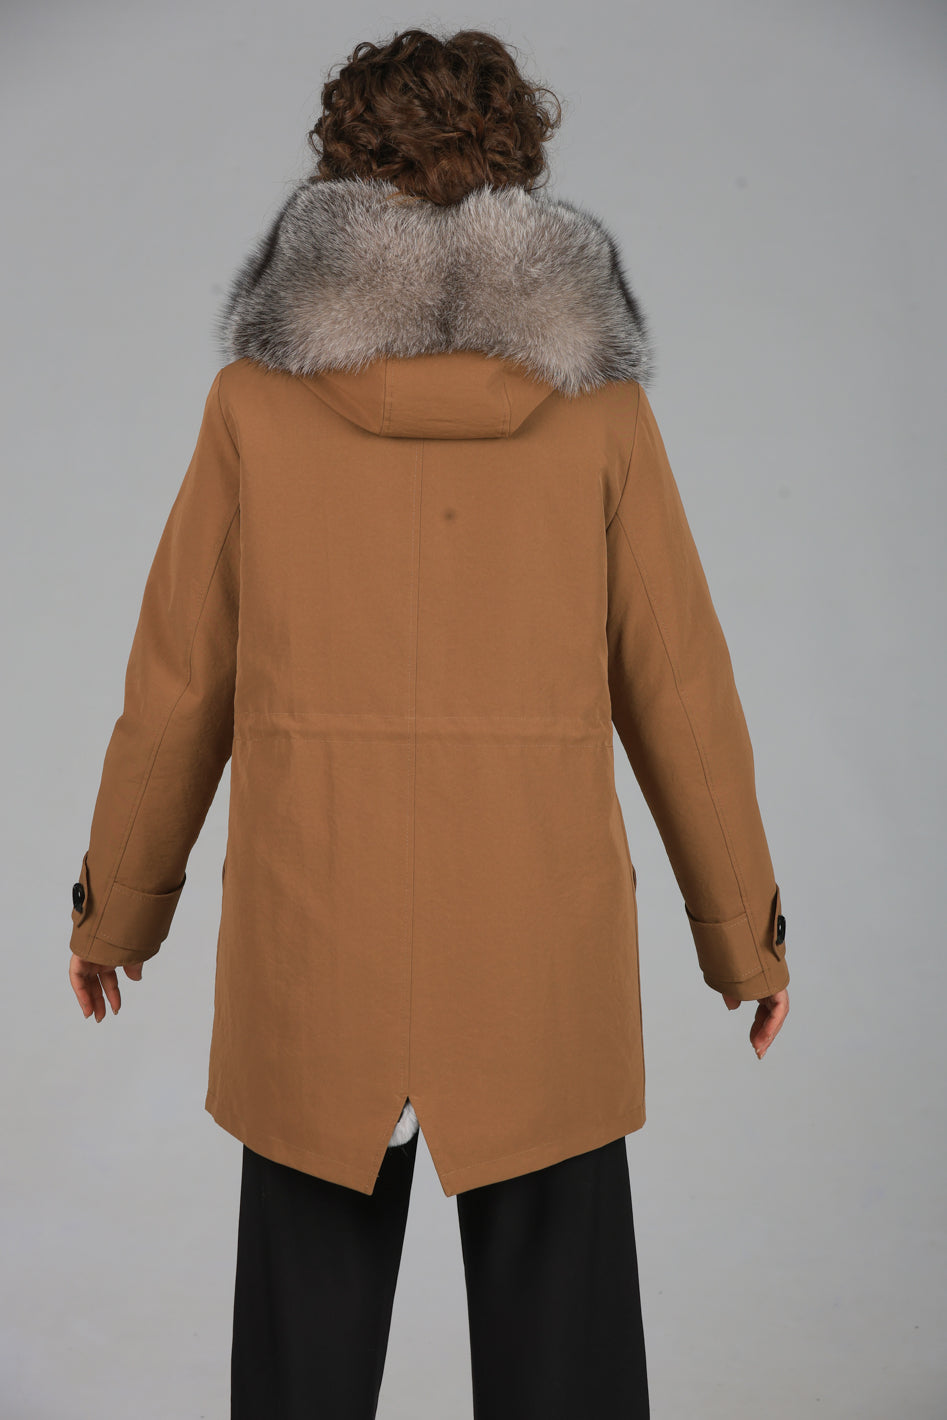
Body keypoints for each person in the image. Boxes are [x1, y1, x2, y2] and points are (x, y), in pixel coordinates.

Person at [66, 25, 790, 1420]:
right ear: (518, 170)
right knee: (568, 1377)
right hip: (539, 964)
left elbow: (178, 683)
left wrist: (117, 913)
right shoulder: (599, 415)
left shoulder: (255, 406)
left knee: (301, 1378)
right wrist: (743, 938)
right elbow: (681, 690)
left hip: (314, 951)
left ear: (343, 168)